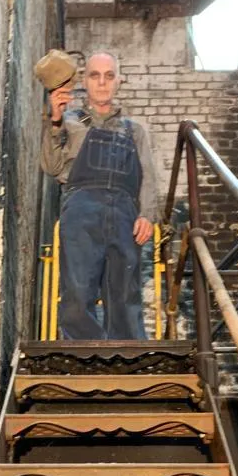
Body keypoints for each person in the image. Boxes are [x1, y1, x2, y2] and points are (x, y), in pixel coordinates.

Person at [39, 50, 159, 340]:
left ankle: (130, 357)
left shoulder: (135, 131)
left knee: (125, 291)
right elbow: (52, 167)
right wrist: (54, 123)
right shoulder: (68, 121)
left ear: (119, 81)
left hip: (125, 214)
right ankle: (83, 352)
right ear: (85, 81)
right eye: (95, 76)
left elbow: (148, 176)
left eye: (109, 76)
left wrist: (147, 215)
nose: (102, 83)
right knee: (78, 288)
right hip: (81, 209)